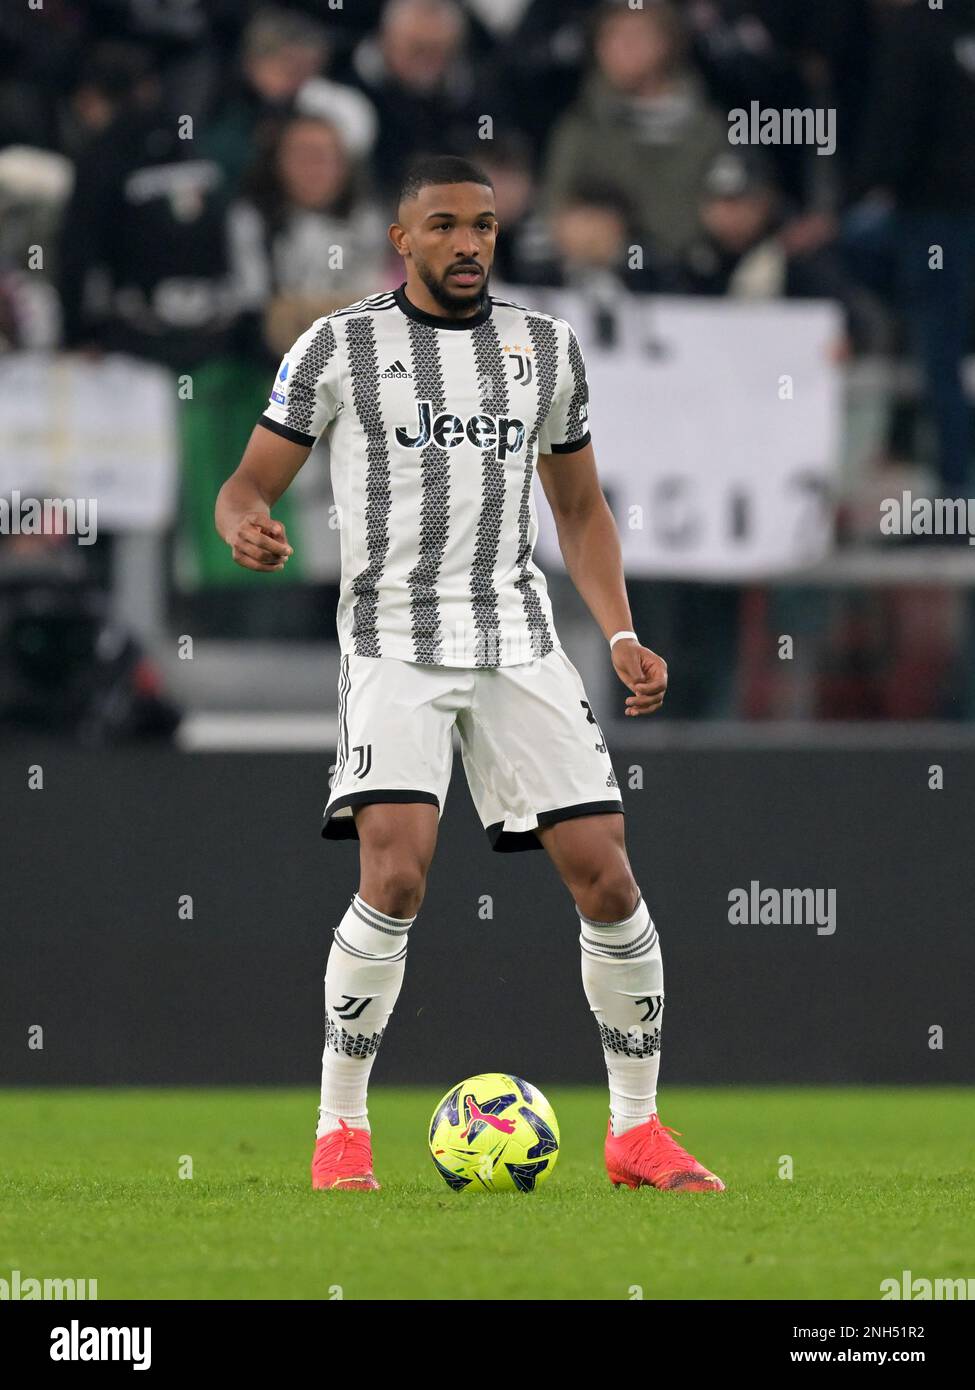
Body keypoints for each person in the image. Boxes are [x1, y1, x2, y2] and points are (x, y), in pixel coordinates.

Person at [214, 153, 725, 1196]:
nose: (467, 244)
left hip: (517, 637)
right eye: (443, 226)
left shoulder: (544, 349)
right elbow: (245, 482)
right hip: (394, 637)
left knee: (610, 876)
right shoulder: (340, 347)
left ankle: (636, 1132)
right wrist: (244, 525)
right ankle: (340, 1132)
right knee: (395, 873)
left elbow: (579, 512)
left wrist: (620, 631)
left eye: (483, 227)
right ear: (402, 240)